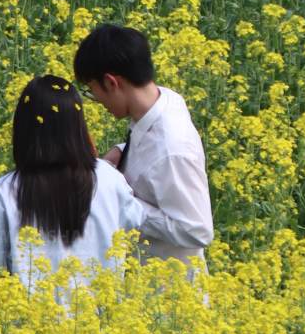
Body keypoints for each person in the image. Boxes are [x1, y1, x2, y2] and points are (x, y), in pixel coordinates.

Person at [0, 74, 145, 299]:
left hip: (28, 329)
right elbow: (133, 232)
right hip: (106, 327)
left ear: (24, 129)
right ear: (78, 127)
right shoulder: (111, 180)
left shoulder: (4, 191)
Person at [72, 24, 214, 276]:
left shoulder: (172, 149)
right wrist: (122, 150)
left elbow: (197, 230)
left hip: (168, 294)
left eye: (92, 91)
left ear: (111, 82)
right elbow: (152, 151)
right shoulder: (163, 101)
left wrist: (122, 201)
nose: (96, 101)